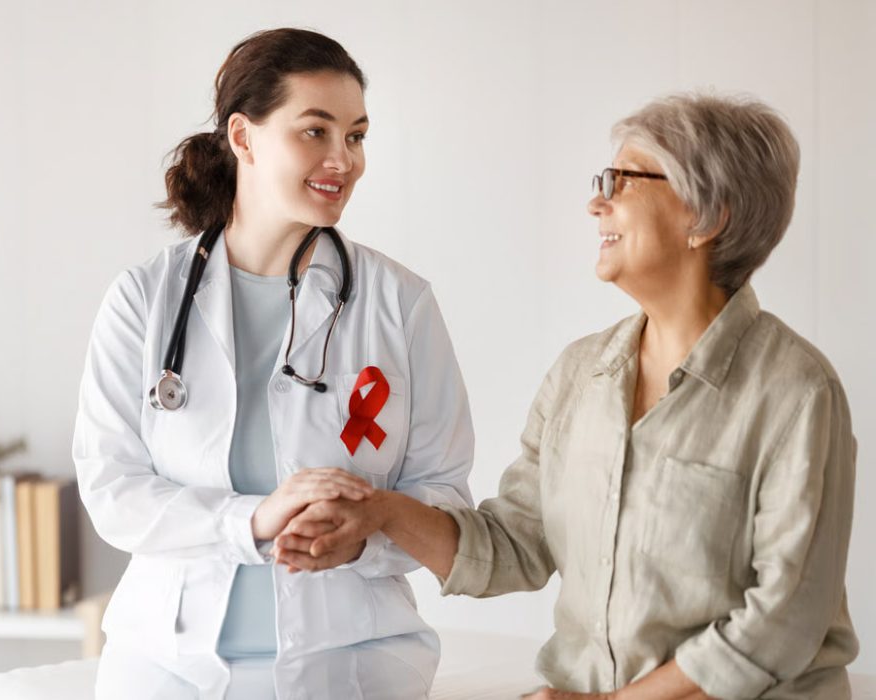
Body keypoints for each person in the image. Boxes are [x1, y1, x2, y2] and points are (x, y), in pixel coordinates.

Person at [275, 93, 859, 699]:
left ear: (705, 218)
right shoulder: (582, 373)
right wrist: (382, 512)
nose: (595, 202)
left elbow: (782, 624)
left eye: (623, 180)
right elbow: (514, 547)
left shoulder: (796, 391)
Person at [73, 28, 473, 700]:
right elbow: (113, 493)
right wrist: (254, 521)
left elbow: (445, 498)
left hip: (354, 662)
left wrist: (366, 533)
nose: (342, 159)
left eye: (356, 135)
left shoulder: (399, 304)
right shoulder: (144, 300)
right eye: (314, 131)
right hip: (166, 666)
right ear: (243, 136)